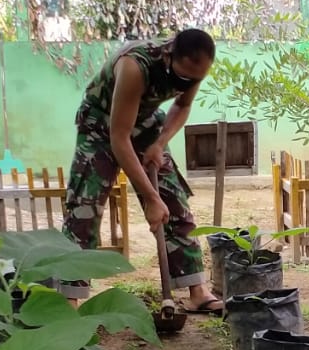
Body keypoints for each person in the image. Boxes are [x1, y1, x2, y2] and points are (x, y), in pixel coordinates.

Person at [64, 28, 223, 312]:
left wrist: (159, 143)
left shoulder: (195, 70)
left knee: (174, 201)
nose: (186, 81)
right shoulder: (134, 65)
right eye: (182, 75)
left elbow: (182, 106)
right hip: (100, 125)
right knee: (84, 207)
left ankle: (197, 290)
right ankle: (68, 298)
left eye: (194, 78)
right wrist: (150, 198)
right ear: (169, 53)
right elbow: (119, 137)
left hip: (146, 121)